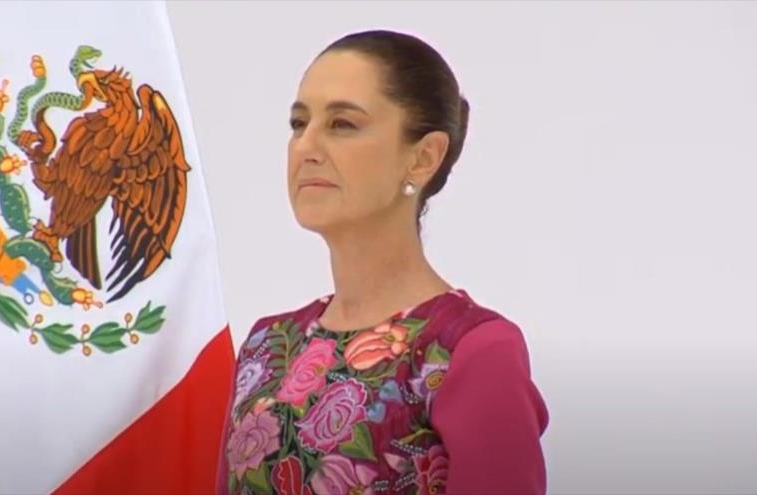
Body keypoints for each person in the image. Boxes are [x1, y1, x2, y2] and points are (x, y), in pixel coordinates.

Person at [215, 29, 549, 495]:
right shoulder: (267, 347)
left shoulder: (467, 352)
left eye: (342, 124)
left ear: (423, 157)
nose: (305, 147)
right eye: (298, 123)